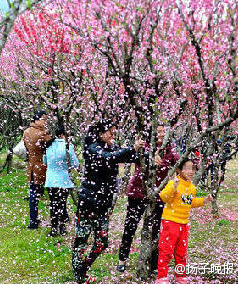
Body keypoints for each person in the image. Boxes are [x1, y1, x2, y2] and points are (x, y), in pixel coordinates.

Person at [72, 119, 145, 284]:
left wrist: (146, 155)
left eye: (114, 131)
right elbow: (109, 158)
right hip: (88, 203)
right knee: (81, 241)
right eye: (110, 132)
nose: (113, 134)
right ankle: (79, 276)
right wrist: (131, 148)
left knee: (102, 242)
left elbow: (128, 156)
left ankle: (82, 269)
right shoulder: (93, 149)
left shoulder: (109, 147)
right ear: (100, 134)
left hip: (102, 204)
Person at [117, 124, 180, 274]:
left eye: (164, 131)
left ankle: (153, 263)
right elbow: (129, 157)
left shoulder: (170, 151)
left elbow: (180, 164)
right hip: (138, 192)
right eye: (158, 131)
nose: (161, 134)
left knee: (155, 230)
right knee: (130, 226)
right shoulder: (144, 146)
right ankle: (122, 259)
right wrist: (140, 150)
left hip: (158, 196)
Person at [156, 158, 213, 284]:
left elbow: (190, 202)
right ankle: (161, 277)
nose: (191, 171)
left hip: (184, 223)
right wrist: (174, 187)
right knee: (166, 250)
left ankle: (180, 276)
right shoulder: (174, 182)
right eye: (187, 168)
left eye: (193, 168)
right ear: (179, 169)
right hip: (170, 222)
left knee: (181, 252)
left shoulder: (191, 187)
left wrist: (204, 201)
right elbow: (164, 197)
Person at [43, 126, 79, 237]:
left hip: (50, 180)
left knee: (53, 203)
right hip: (63, 180)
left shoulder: (48, 145)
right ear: (63, 135)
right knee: (62, 204)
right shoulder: (68, 146)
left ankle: (54, 229)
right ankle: (62, 227)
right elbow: (75, 163)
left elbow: (45, 162)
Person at [23, 110, 51, 229]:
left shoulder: (26, 132)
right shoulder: (43, 133)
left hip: (32, 166)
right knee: (53, 193)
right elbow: (50, 146)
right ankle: (61, 217)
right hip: (43, 166)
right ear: (36, 120)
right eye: (43, 119)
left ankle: (33, 221)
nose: (45, 122)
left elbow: (26, 146)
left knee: (33, 194)